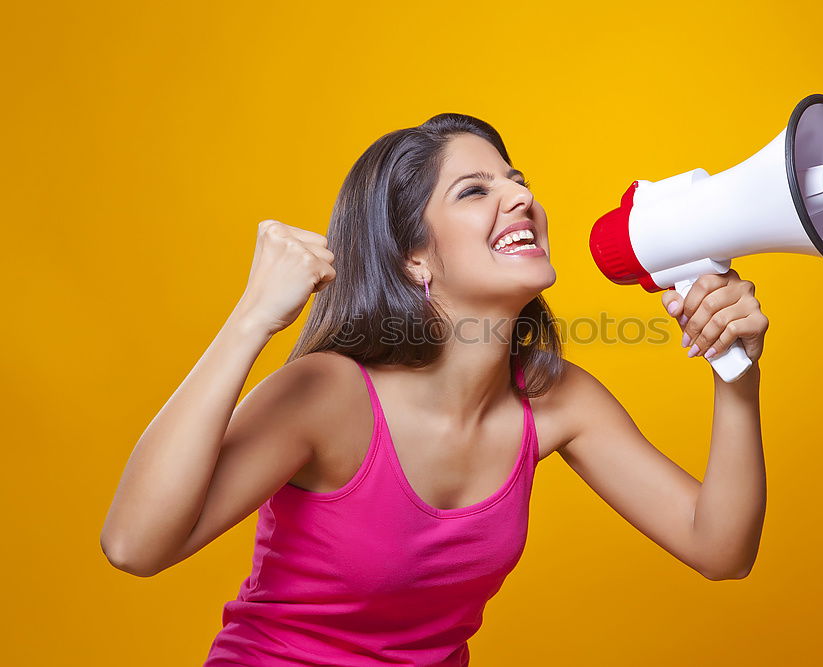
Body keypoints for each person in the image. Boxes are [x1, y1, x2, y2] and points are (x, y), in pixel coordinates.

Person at [100, 113, 768, 666]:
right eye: (474, 191)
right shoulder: (328, 395)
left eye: (517, 179)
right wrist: (251, 319)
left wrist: (733, 371)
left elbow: (718, 547)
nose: (520, 197)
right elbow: (134, 545)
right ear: (413, 256)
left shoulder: (556, 400)